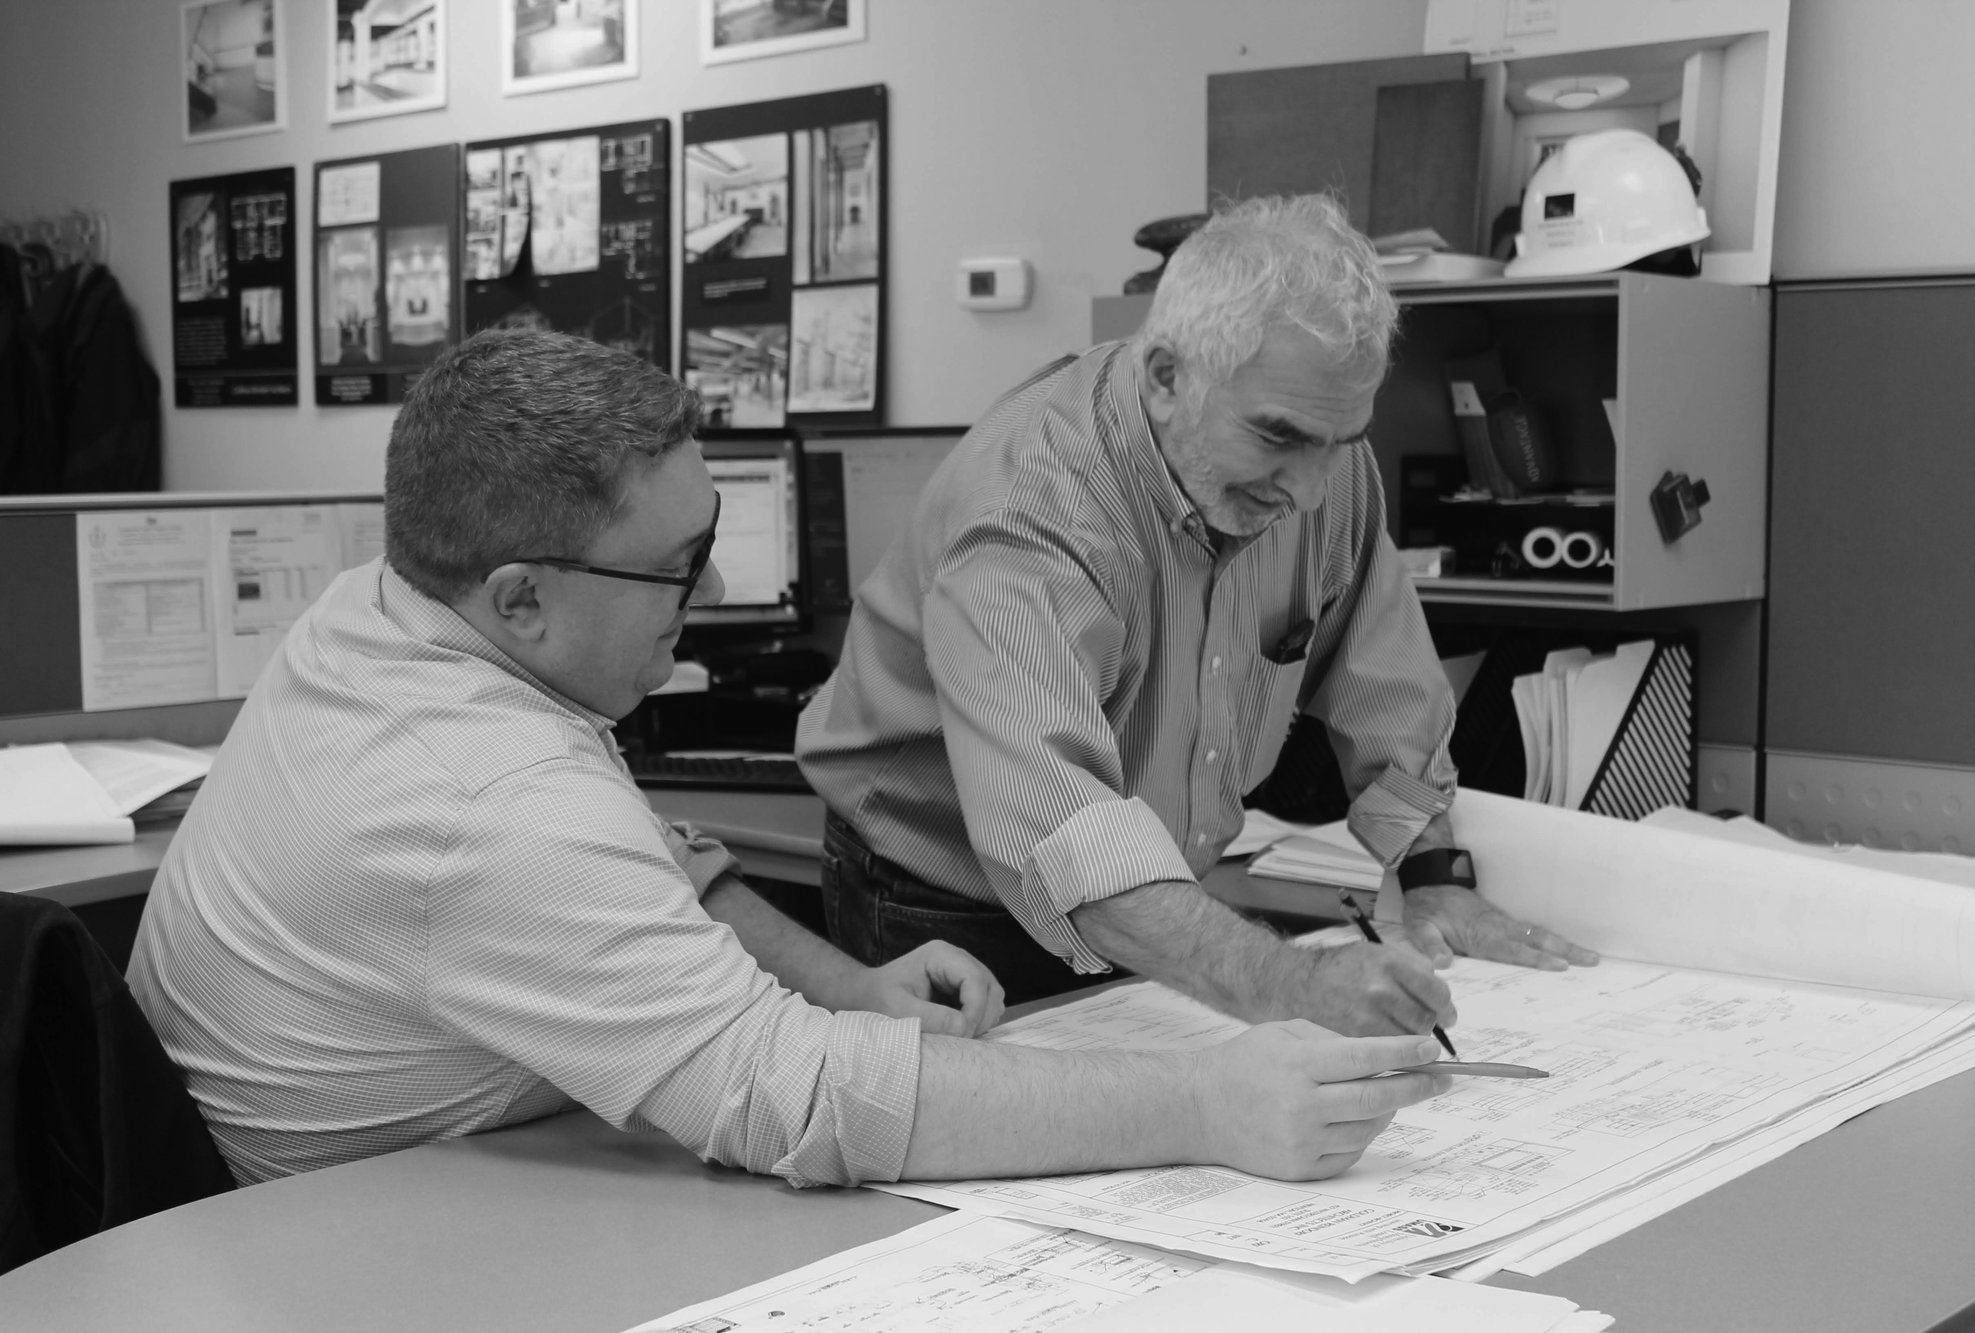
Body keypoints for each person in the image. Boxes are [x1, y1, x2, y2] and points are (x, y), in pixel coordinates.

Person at [127, 328, 1449, 1190]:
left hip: (440, 1160)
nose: (702, 601)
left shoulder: (390, 609)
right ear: (521, 594)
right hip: (361, 1240)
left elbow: (654, 858)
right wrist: (1209, 1098)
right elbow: (798, 1098)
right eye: (675, 569)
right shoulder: (485, 802)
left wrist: (842, 983)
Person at [796, 194, 1597, 1033]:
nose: (1310, 491)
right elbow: (1066, 841)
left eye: (1341, 439)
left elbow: (1385, 691)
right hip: (950, 901)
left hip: (1157, 887)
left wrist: (1433, 869)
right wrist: (1289, 984)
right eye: (1279, 438)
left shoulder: (1318, 465)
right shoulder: (1028, 512)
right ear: (1167, 377)